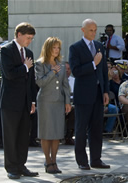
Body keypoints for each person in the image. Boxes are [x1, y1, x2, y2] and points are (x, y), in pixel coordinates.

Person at [69, 18, 110, 170]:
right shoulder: (75, 48)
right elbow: (76, 71)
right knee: (81, 129)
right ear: (83, 30)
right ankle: (82, 161)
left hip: (98, 94)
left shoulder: (99, 46)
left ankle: (96, 159)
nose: (93, 33)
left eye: (95, 30)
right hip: (83, 95)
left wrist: (105, 90)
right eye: (90, 30)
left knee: (97, 128)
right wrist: (93, 63)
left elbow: (104, 72)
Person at [0, 22, 38, 179]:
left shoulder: (28, 52)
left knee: (23, 135)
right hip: (10, 102)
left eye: (31, 38)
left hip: (25, 102)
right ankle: (12, 168)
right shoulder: (6, 51)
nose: (29, 41)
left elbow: (31, 80)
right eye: (28, 38)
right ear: (19, 35)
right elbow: (9, 74)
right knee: (11, 136)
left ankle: (21, 165)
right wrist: (25, 67)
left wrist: (33, 101)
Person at [35, 37, 71, 174]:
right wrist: (53, 72)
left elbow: (65, 85)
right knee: (46, 133)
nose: (56, 50)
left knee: (56, 133)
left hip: (59, 102)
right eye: (54, 47)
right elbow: (40, 83)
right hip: (45, 102)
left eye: (58, 48)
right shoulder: (40, 64)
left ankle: (54, 161)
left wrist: (67, 101)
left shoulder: (61, 64)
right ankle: (47, 160)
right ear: (48, 48)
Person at [64, 62, 75, 145]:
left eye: (69, 69)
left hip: (72, 106)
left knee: (75, 111)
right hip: (59, 107)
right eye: (65, 69)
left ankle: (69, 136)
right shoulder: (56, 80)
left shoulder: (74, 81)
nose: (67, 71)